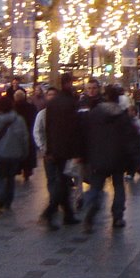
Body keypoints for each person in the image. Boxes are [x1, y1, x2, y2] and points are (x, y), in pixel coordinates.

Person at [81, 84, 139, 232]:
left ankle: (90, 215)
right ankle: (118, 217)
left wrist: (85, 155)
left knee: (96, 188)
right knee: (119, 187)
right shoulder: (123, 116)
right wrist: (134, 160)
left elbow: (86, 135)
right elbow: (131, 139)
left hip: (98, 157)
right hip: (118, 158)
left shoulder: (94, 114)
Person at [39, 76, 81, 230]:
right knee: (63, 182)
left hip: (55, 148)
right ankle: (50, 212)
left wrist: (49, 149)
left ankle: (68, 214)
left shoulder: (52, 103)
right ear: (68, 83)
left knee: (63, 181)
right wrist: (77, 151)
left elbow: (48, 127)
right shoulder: (71, 103)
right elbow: (74, 128)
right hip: (67, 148)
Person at [0, 95, 30, 213]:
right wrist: (25, 152)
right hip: (15, 154)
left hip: (0, 154)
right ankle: (8, 203)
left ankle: (0, 200)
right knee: (11, 179)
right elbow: (24, 138)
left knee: (0, 178)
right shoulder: (19, 120)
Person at [13, 89, 38, 181]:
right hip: (29, 132)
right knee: (28, 153)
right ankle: (27, 171)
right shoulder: (31, 107)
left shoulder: (13, 108)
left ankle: (17, 169)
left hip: (16, 134)